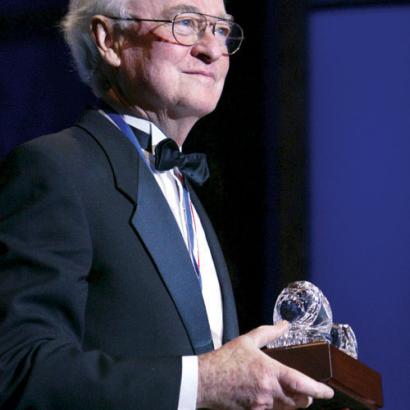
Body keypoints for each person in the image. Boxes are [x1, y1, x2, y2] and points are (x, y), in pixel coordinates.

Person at [0, 0, 334, 408]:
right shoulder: (54, 169)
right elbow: (18, 370)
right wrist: (205, 383)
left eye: (221, 30)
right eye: (187, 23)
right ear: (110, 40)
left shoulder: (185, 191)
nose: (212, 49)